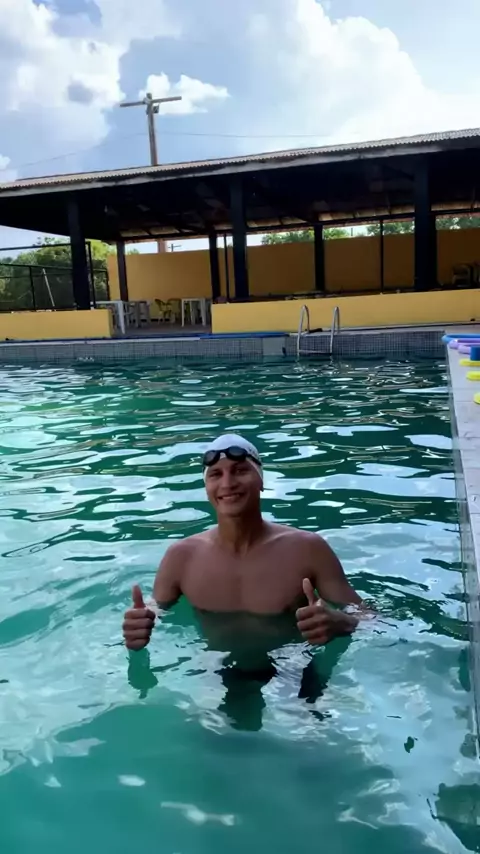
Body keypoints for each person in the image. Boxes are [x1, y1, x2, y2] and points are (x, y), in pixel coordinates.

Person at [123, 434, 369, 726]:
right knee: (212, 738)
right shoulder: (182, 556)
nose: (227, 483)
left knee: (313, 735)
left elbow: (372, 618)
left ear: (261, 480)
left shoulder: (307, 549)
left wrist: (343, 622)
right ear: (207, 487)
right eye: (216, 474)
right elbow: (155, 609)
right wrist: (140, 623)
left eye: (240, 470)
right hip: (217, 670)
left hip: (296, 669)